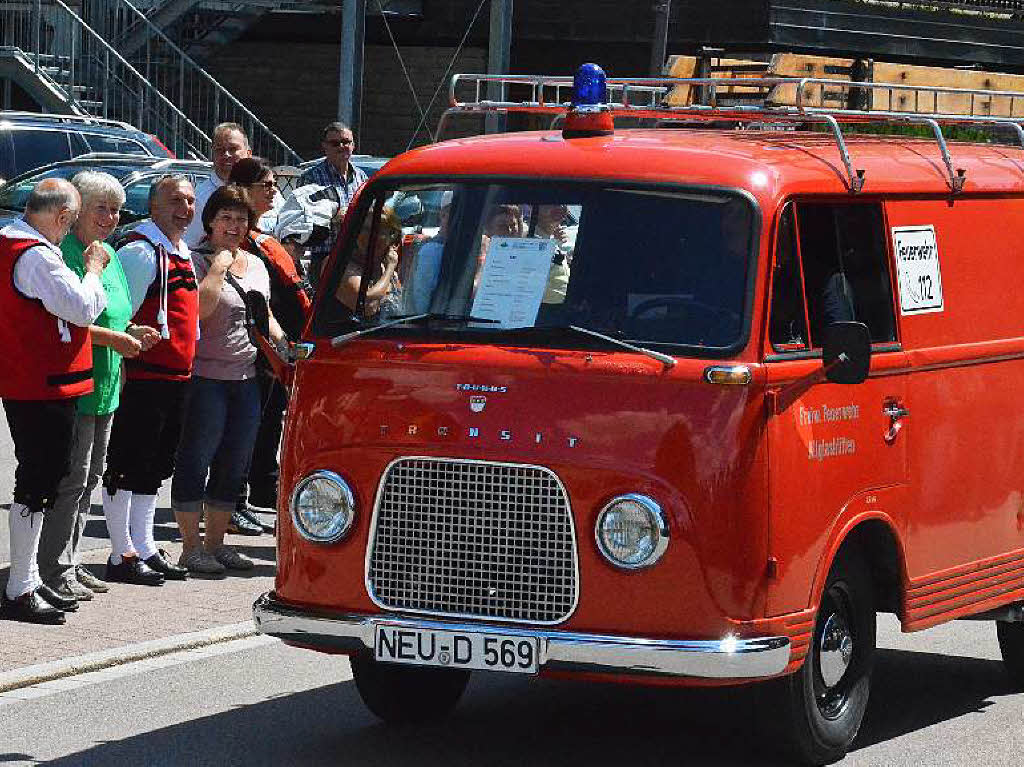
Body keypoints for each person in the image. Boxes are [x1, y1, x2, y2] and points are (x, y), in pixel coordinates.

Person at [37, 172, 161, 602]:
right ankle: (50, 568)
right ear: (75, 213)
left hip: (108, 383)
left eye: (115, 210)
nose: (110, 218)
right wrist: (118, 339)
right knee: (70, 479)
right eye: (101, 208)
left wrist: (133, 330)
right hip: (76, 384)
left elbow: (113, 313)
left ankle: (68, 563)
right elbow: (70, 321)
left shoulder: (109, 252)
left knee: (90, 478)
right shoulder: (66, 252)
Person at [0, 179, 108, 624]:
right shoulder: (36, 254)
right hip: (40, 384)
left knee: (43, 477)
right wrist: (95, 267)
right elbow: (83, 307)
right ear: (62, 216)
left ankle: (26, 579)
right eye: (71, 221)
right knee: (39, 479)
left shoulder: (13, 242)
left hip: (35, 381)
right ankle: (20, 585)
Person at [171, 185, 286, 575]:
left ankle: (216, 545)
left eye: (241, 219)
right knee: (196, 459)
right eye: (226, 218)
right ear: (210, 222)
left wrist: (283, 342)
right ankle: (190, 548)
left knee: (234, 463)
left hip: (247, 377)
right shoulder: (195, 260)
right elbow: (199, 311)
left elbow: (263, 313)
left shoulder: (255, 263)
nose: (234, 226)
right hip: (206, 376)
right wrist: (219, 265)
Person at [102, 175, 199, 586]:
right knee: (127, 462)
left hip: (175, 377)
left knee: (155, 465)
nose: (185, 208)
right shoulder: (142, 251)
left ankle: (143, 546)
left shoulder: (180, 250)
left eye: (191, 201)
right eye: (175, 200)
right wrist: (121, 370)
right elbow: (115, 314)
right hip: (144, 377)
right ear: (154, 206)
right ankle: (120, 551)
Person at [226, 158, 311, 520]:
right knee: (247, 426)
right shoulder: (237, 242)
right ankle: (232, 500)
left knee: (269, 422)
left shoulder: (264, 236)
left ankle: (261, 487)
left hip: (281, 345)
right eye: (267, 184)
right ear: (243, 190)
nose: (274, 190)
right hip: (255, 348)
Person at [297, 121, 368, 287]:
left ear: (354, 145)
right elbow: (305, 219)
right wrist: (334, 216)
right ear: (325, 147)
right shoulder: (311, 178)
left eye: (346, 142)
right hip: (324, 256)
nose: (342, 147)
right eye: (335, 143)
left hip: (356, 254)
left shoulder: (361, 177)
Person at [184, 123, 253, 248]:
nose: (226, 154)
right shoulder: (199, 198)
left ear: (248, 153)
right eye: (219, 150)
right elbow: (190, 246)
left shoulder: (266, 191)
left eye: (233, 149)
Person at [335, 206, 402, 318]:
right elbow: (367, 306)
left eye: (378, 229)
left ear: (392, 235)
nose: (369, 236)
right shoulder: (341, 266)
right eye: (364, 229)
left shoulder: (390, 273)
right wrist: (390, 268)